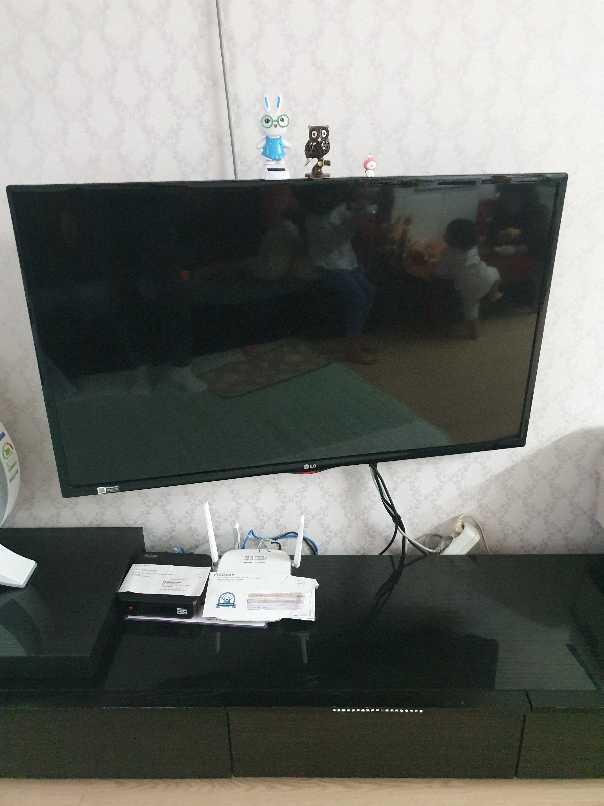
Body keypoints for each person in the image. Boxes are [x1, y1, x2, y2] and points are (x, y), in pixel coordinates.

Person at [304, 189, 376, 363]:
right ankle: (352, 349)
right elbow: (331, 244)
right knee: (357, 298)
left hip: (347, 261)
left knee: (369, 291)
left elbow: (358, 223)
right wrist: (354, 222)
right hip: (325, 264)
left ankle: (356, 338)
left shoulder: (340, 207)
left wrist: (361, 212)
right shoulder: (313, 219)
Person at [435, 218, 501, 339]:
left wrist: (433, 265)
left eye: (446, 233)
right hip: (485, 277)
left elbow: (441, 272)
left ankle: (474, 334)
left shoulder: (448, 253)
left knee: (471, 311)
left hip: (468, 286)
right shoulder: (473, 247)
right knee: (496, 272)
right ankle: (494, 294)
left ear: (452, 239)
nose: (444, 234)